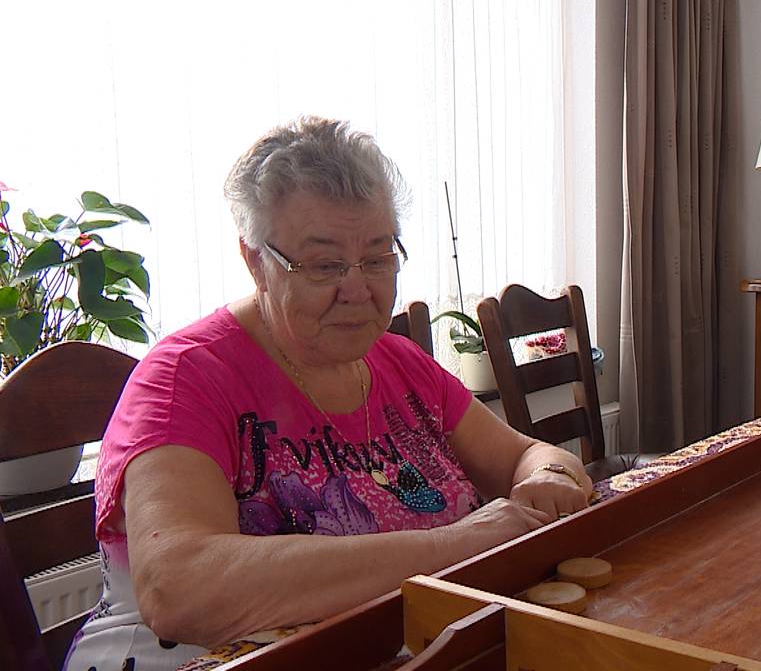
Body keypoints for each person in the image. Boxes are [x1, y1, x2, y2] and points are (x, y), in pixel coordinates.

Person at [66, 117, 591, 671]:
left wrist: (550, 477)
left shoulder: (400, 363)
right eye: (324, 265)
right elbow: (177, 588)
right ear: (256, 261)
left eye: (378, 256)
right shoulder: (184, 379)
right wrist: (459, 545)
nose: (359, 289)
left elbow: (525, 455)